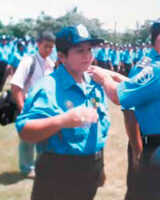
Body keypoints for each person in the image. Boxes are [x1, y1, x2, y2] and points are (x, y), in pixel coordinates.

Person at [88, 3, 160, 200]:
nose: (159, 34)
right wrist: (113, 75)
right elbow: (152, 88)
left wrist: (104, 79)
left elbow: (119, 96)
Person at [15, 24, 110, 200]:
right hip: (59, 171)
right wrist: (63, 120)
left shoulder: (93, 84)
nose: (87, 56)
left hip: (91, 166)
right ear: (61, 56)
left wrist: (100, 166)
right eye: (79, 50)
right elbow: (25, 130)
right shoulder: (47, 87)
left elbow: (99, 129)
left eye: (89, 49)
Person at [10, 32, 55, 179]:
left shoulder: (51, 63)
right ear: (38, 44)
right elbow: (16, 86)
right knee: (28, 140)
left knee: (45, 137)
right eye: (46, 46)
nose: (48, 50)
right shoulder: (28, 61)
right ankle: (27, 168)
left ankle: (40, 166)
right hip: (30, 106)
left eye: (51, 47)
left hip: (46, 107)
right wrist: (22, 107)